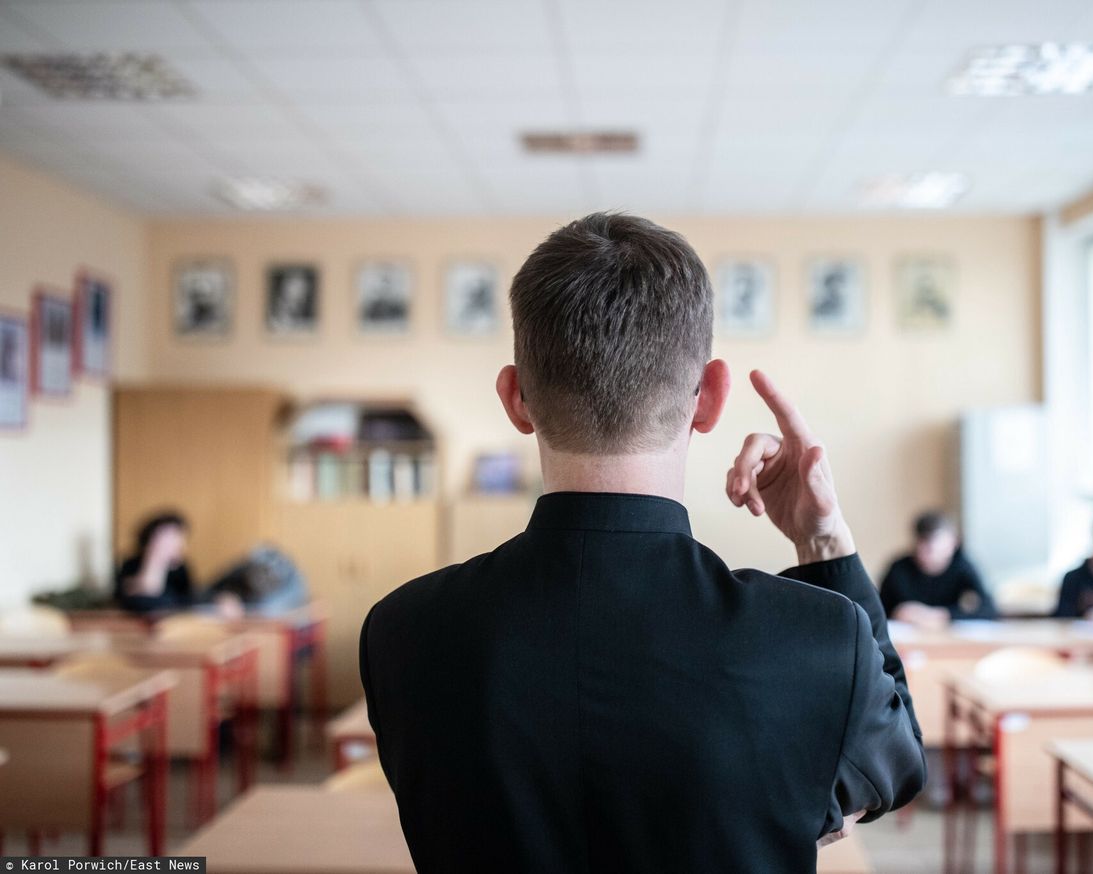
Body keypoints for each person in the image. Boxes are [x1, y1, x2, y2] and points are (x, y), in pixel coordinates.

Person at [360, 213, 925, 873]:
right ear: (711, 398)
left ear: (516, 398)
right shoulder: (817, 639)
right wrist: (824, 540)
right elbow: (897, 767)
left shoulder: (404, 631)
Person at [879, 511, 997, 627]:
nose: (927, 549)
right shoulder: (899, 569)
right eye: (923, 543)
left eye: (934, 542)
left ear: (953, 542)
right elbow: (878, 609)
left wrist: (943, 615)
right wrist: (898, 613)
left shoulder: (962, 567)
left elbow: (989, 609)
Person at [114, 511, 195, 613]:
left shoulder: (181, 568)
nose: (172, 542)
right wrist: (155, 559)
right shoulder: (132, 564)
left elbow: (188, 600)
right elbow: (137, 596)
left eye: (176, 536)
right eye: (165, 536)